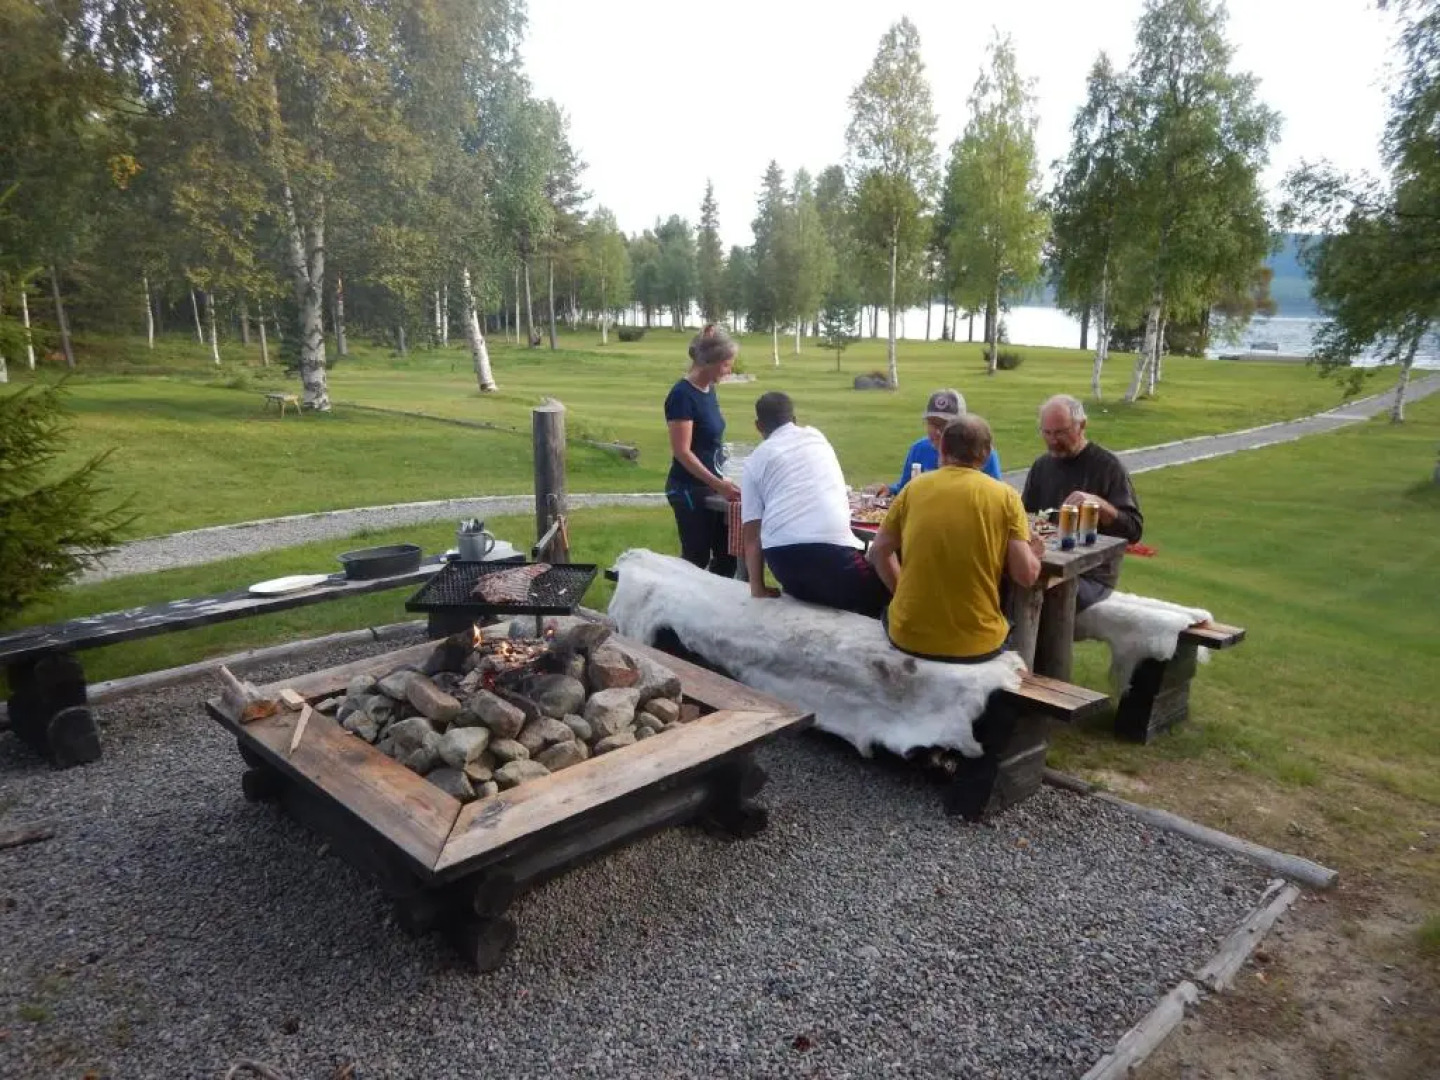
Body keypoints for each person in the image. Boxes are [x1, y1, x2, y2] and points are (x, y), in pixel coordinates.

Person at [868, 415, 1043, 663]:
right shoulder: (1006, 497)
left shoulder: (913, 489)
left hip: (908, 634)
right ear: (986, 454)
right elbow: (1025, 576)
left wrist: (901, 595)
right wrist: (1033, 554)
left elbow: (878, 552)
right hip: (975, 644)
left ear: (942, 448)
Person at [740, 391, 890, 617]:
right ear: (794, 420)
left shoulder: (754, 461)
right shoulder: (816, 438)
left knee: (818, 594)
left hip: (783, 561)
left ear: (758, 426)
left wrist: (757, 588)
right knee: (888, 594)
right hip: (832, 554)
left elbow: (751, 537)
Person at [1021, 394, 1144, 611]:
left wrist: (1099, 504)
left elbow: (1133, 530)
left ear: (1082, 425)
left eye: (1060, 432)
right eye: (1047, 433)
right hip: (1047, 564)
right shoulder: (1041, 467)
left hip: (1091, 575)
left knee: (1042, 599)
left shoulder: (1108, 467)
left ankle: (1038, 646)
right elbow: (1024, 516)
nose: (1053, 440)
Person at [664, 324, 741, 577]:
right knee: (695, 558)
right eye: (727, 364)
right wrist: (717, 484)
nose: (730, 370)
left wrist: (723, 477)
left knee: (727, 555)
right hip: (687, 489)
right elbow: (682, 452)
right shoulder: (682, 396)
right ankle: (677, 611)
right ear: (710, 361)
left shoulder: (709, 390)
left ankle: (718, 612)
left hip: (711, 485)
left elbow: (709, 441)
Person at [871, 388, 1002, 497]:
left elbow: (996, 495)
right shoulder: (919, 449)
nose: (938, 432)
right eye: (933, 424)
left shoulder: (981, 453)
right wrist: (890, 490)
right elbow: (905, 487)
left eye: (945, 425)